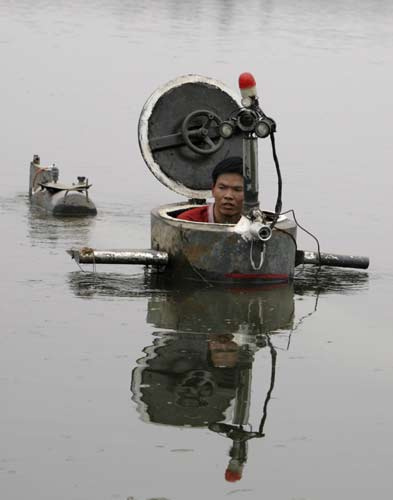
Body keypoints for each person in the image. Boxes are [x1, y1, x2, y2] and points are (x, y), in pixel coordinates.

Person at [177, 156, 244, 224]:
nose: (228, 196)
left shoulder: (254, 224)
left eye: (237, 189)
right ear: (213, 189)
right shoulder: (187, 222)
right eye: (222, 188)